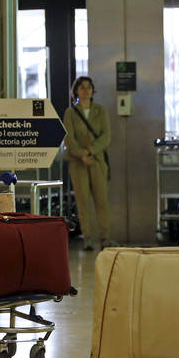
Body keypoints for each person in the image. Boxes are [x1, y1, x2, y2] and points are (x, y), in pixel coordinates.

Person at [62, 76, 114, 250]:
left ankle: (105, 237)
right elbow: (68, 138)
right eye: (82, 87)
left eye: (88, 87)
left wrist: (90, 151)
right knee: (83, 200)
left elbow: (106, 137)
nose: (85, 90)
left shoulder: (100, 111)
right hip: (78, 163)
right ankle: (88, 238)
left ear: (92, 90)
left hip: (97, 160)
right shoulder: (70, 113)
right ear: (76, 90)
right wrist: (81, 154)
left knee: (102, 200)